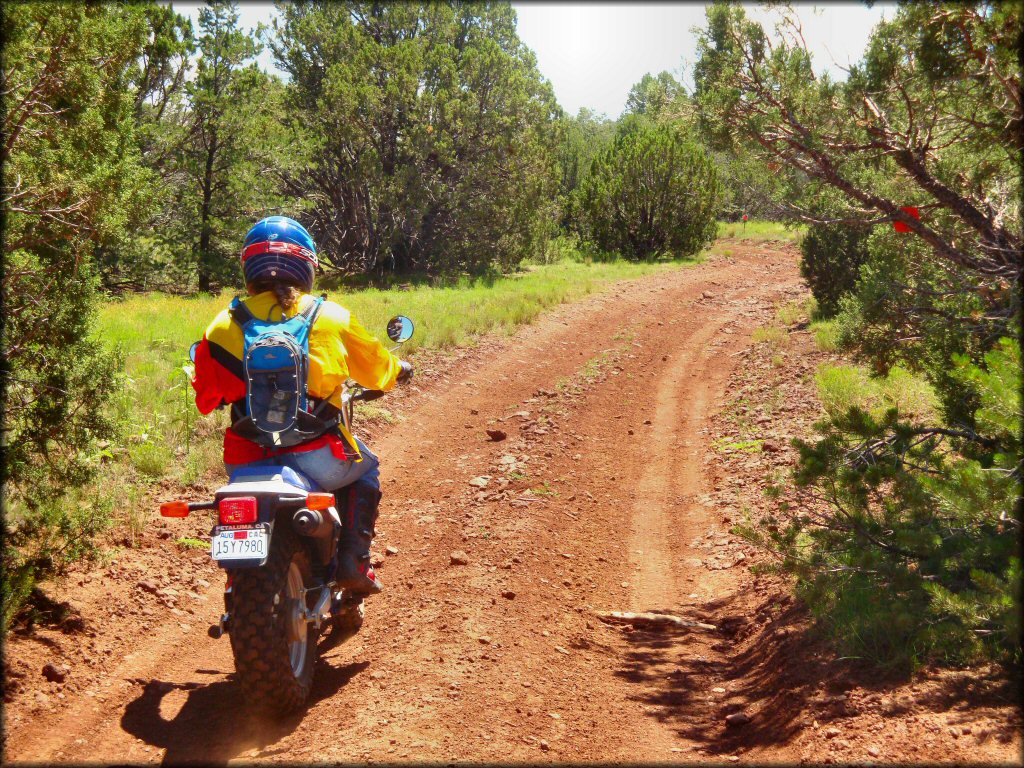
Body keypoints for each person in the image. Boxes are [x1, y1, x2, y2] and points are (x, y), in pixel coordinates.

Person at [191, 216, 412, 600]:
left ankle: (235, 583)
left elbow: (206, 401)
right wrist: (399, 369)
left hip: (246, 458)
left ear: (249, 267)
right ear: (306, 265)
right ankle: (353, 563)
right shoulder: (329, 316)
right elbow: (379, 374)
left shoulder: (222, 326)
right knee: (366, 471)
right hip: (316, 455)